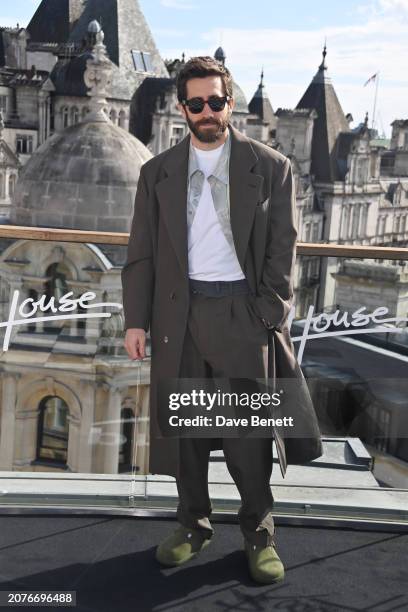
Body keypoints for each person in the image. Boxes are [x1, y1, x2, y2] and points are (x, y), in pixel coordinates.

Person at [121, 56, 323, 584]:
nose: (207, 111)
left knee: (247, 436)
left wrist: (267, 313)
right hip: (178, 313)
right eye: (196, 103)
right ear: (182, 108)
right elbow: (140, 254)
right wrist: (135, 321)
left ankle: (259, 535)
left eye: (216, 101)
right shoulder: (155, 172)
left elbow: (285, 250)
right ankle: (192, 526)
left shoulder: (272, 166)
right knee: (187, 432)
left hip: (241, 313)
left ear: (230, 102)